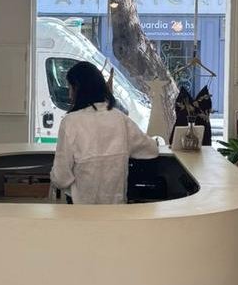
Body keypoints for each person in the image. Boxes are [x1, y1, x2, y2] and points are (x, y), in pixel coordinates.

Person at [50, 61, 159, 204]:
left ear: (77, 89)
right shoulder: (120, 118)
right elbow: (151, 150)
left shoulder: (70, 122)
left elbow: (61, 178)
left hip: (81, 209)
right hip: (116, 209)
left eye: (70, 88)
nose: (70, 95)